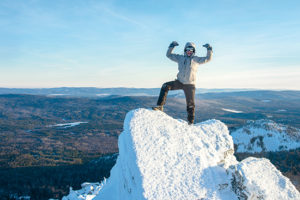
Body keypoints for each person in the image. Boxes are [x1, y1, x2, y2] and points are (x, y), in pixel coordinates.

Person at [152, 41, 213, 125]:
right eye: (188, 50)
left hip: (190, 85)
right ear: (185, 50)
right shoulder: (180, 58)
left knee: (190, 104)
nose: (189, 51)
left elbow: (208, 58)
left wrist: (209, 49)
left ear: (193, 51)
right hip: (179, 82)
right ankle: (159, 106)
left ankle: (190, 122)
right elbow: (169, 55)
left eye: (191, 50)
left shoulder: (196, 59)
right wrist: (171, 46)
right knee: (165, 86)